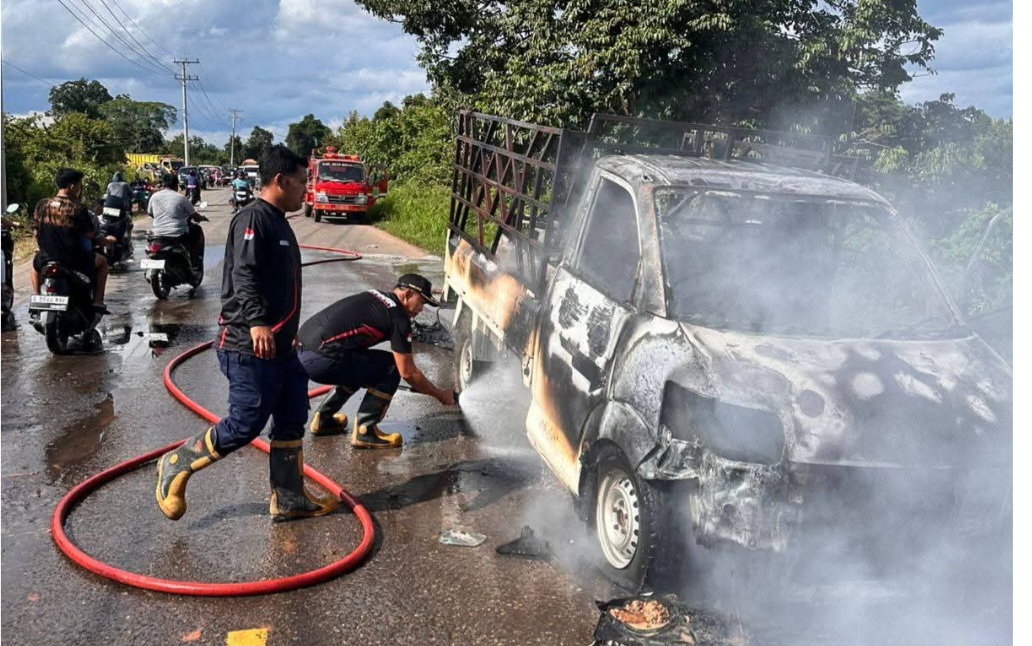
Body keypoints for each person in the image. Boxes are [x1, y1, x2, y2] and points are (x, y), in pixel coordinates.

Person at [155, 145, 337, 522]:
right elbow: (244, 275)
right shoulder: (253, 219)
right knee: (246, 423)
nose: (306, 189)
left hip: (281, 347)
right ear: (280, 180)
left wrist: (288, 333)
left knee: (291, 416)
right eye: (302, 182)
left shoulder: (279, 219)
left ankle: (288, 498)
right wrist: (256, 322)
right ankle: (177, 461)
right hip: (249, 344)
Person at [298, 274, 457, 449]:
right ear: (407, 294)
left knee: (362, 363)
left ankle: (324, 419)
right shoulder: (398, 317)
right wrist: (440, 394)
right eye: (421, 302)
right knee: (391, 367)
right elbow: (408, 372)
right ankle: (366, 431)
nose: (421, 309)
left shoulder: (374, 295)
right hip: (322, 360)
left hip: (300, 353)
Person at [29, 168, 109, 312]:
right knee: (103, 263)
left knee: (35, 267)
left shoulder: (42, 204)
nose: (79, 189)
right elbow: (90, 234)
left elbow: (36, 232)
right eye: (79, 185)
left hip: (47, 257)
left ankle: (36, 295)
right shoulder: (77, 207)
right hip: (73, 259)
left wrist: (43, 247)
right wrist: (95, 224)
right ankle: (98, 301)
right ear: (72, 186)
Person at [147, 174, 207, 276]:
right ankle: (194, 264)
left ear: (163, 184)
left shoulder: (154, 196)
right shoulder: (181, 198)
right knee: (196, 234)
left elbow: (150, 212)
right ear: (176, 185)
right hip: (177, 234)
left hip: (157, 234)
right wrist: (202, 218)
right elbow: (195, 216)